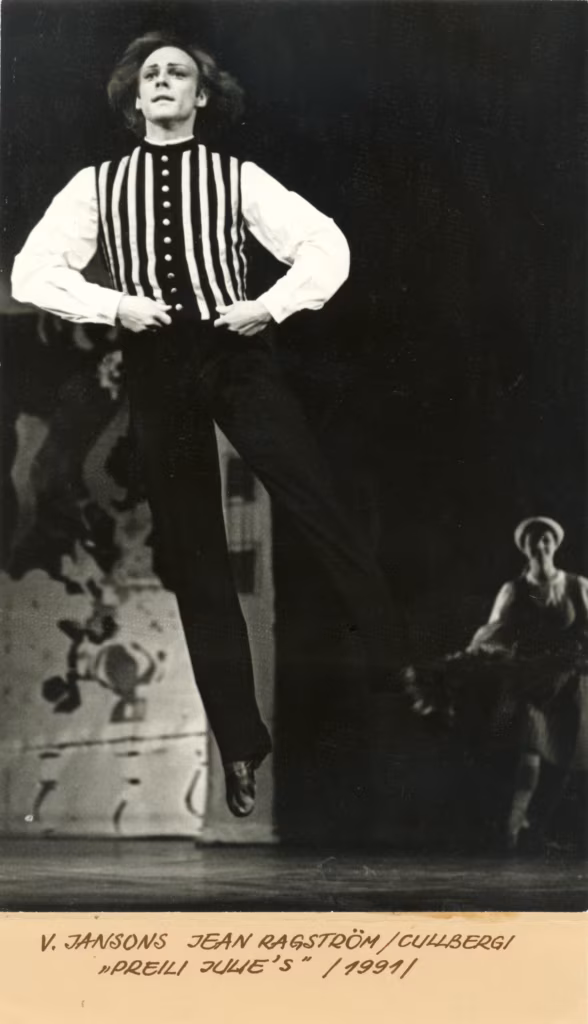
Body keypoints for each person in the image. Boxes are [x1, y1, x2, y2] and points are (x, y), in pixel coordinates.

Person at [12, 31, 406, 818]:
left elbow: (323, 246)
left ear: (200, 96)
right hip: (157, 366)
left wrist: (269, 307)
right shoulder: (96, 186)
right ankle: (240, 744)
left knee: (313, 498)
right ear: (135, 98)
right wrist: (115, 305)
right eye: (151, 73)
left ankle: (398, 665)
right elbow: (33, 273)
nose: (163, 80)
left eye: (179, 73)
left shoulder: (236, 176)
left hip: (235, 354)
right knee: (196, 558)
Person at [406, 517, 588, 851]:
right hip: (529, 679)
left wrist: (574, 656)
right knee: (530, 751)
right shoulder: (514, 589)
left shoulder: (577, 586)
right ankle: (511, 830)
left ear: (556, 543)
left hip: (568, 682)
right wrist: (471, 659)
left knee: (564, 759)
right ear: (525, 547)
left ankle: (536, 829)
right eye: (534, 539)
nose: (541, 544)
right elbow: (493, 632)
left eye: (546, 538)